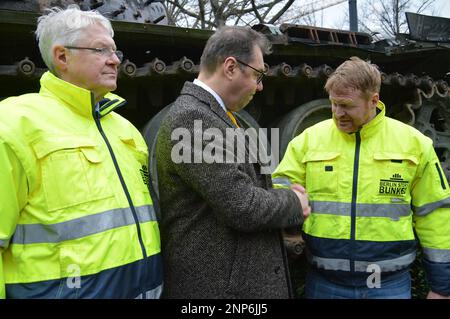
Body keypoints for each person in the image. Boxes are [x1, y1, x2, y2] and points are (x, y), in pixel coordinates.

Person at [0, 5, 162, 298]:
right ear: (62, 56)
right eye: (101, 50)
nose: (114, 61)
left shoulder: (125, 130)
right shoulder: (14, 124)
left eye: (116, 52)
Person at [272, 56, 450, 299]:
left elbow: (435, 214)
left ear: (373, 100)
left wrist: (442, 287)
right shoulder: (308, 140)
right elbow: (279, 184)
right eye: (333, 104)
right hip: (325, 283)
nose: (337, 113)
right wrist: (288, 197)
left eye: (346, 105)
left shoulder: (414, 144)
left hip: (387, 285)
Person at [155, 26, 310, 298]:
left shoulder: (212, 115)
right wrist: (293, 202)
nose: (260, 86)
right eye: (258, 75)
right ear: (230, 67)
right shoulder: (194, 120)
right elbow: (243, 206)